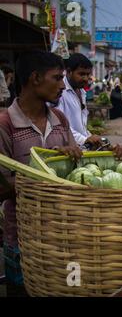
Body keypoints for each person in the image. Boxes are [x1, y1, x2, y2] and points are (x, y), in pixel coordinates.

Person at [0, 51, 83, 296]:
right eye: (57, 78)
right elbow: (2, 187)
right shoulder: (5, 124)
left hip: (63, 237)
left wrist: (73, 158)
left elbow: (75, 174)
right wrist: (46, 172)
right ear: (35, 78)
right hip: (24, 239)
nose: (62, 86)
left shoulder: (59, 119)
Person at [56, 53, 122, 155]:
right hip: (67, 151)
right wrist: (84, 139)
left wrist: (92, 138)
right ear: (69, 72)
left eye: (88, 74)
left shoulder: (81, 92)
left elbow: (81, 127)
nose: (86, 78)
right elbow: (59, 127)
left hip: (81, 150)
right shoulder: (60, 92)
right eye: (81, 74)